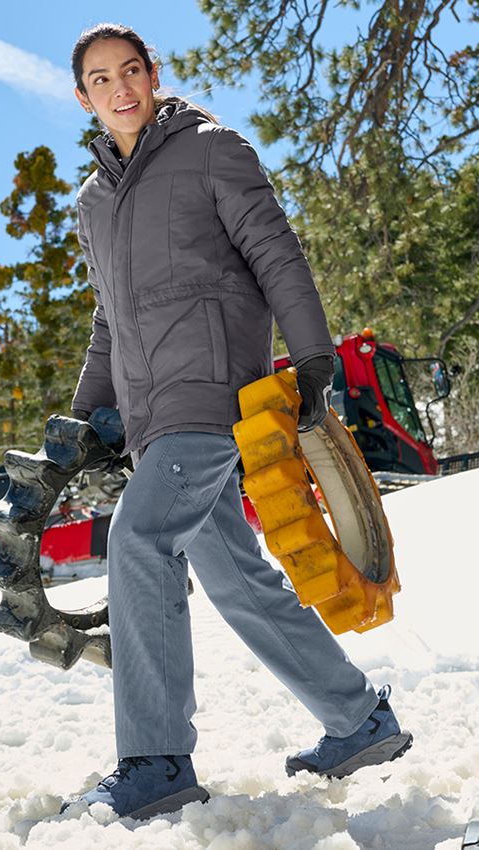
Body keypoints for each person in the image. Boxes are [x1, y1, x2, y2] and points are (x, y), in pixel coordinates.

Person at [61, 23, 412, 820]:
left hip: (214, 391)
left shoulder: (210, 149)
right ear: (82, 97)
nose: (120, 88)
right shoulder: (94, 200)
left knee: (140, 540)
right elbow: (109, 322)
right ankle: (359, 718)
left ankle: (155, 760)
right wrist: (89, 414)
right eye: (100, 79)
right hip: (155, 413)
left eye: (130, 71)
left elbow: (275, 253)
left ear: (153, 75)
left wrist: (312, 355)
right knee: (235, 576)